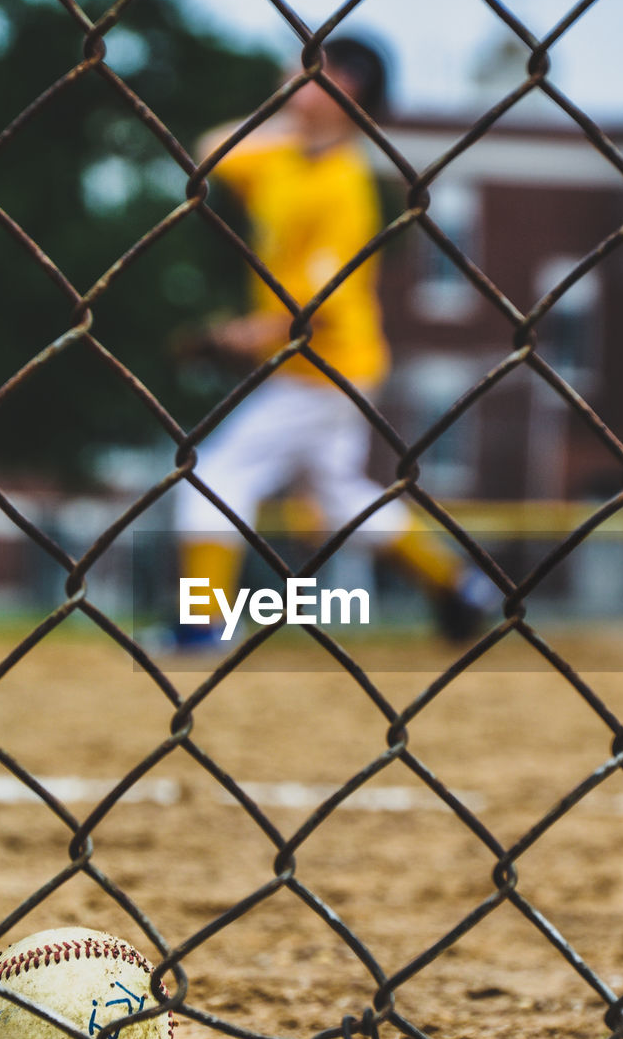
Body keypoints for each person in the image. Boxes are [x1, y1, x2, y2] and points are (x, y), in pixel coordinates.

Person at [171, 36, 491, 647]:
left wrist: (241, 336)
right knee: (341, 495)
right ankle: (457, 586)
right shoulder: (282, 158)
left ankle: (202, 624)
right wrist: (290, 109)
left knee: (216, 474)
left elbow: (316, 312)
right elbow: (210, 151)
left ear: (345, 87)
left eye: (313, 71)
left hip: (325, 369)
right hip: (313, 368)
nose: (291, 76)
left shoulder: (344, 188)